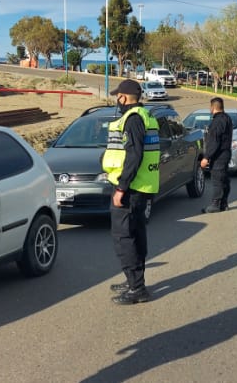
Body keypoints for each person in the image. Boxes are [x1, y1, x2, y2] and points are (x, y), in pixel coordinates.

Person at [101, 79, 160, 305]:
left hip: (131, 188)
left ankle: (137, 288)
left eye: (118, 96)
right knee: (136, 234)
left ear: (123, 98)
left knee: (124, 237)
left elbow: (134, 156)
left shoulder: (133, 120)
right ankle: (134, 280)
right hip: (142, 186)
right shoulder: (146, 117)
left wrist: (121, 187)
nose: (117, 100)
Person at [200, 97, 232, 213]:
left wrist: (206, 157)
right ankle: (224, 203)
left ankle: (216, 204)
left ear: (213, 107)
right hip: (226, 153)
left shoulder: (217, 122)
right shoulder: (227, 118)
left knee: (217, 179)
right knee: (224, 179)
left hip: (219, 155)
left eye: (210, 107)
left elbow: (214, 141)